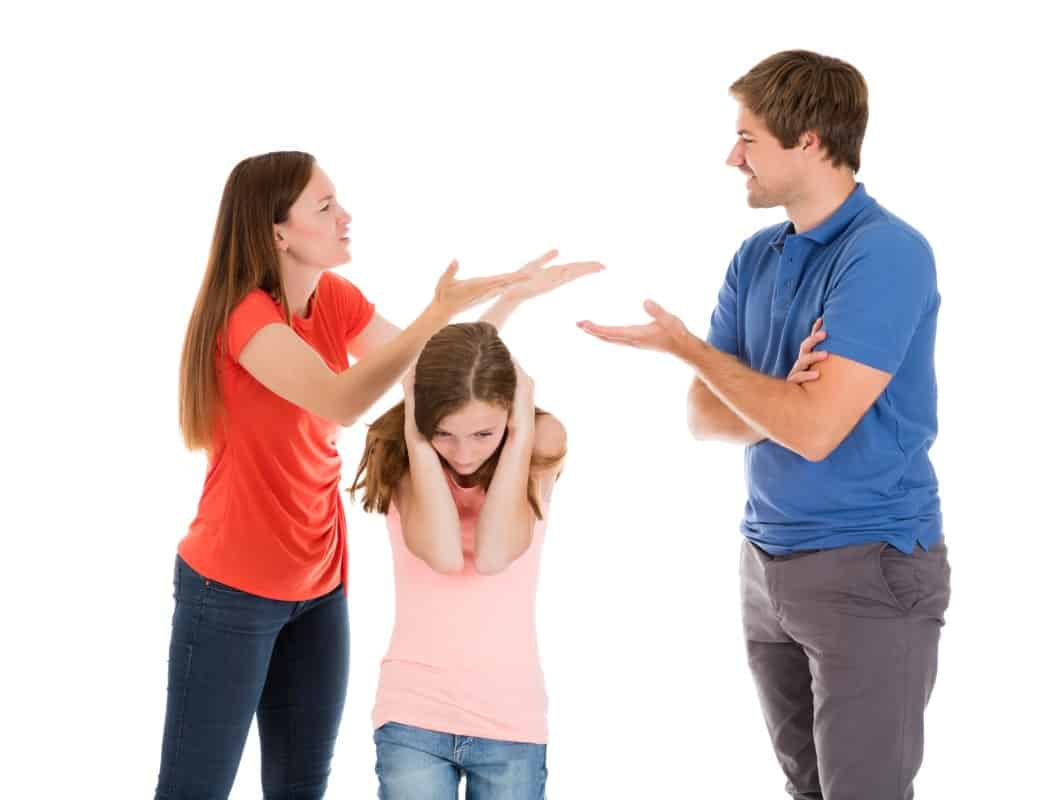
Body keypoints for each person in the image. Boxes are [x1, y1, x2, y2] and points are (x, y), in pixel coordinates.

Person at [156, 148, 599, 799]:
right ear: (278, 231)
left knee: (301, 784)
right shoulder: (247, 320)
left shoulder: (334, 300)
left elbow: (433, 376)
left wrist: (507, 304)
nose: (346, 217)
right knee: (196, 787)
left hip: (317, 582)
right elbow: (343, 398)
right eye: (325, 205)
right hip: (231, 587)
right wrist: (434, 308)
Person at [578, 51, 950, 800]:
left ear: (808, 140)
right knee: (804, 791)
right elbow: (704, 418)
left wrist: (690, 350)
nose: (730, 156)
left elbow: (815, 432)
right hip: (765, 563)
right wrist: (780, 388)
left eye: (747, 139)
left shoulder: (883, 254)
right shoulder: (756, 257)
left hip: (866, 566)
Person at [353, 321, 567, 799]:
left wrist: (520, 433)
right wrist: (415, 432)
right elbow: (446, 556)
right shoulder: (401, 453)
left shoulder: (539, 439)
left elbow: (494, 555)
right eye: (444, 434)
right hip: (414, 715)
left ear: (513, 414)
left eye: (483, 433)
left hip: (511, 719)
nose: (464, 453)